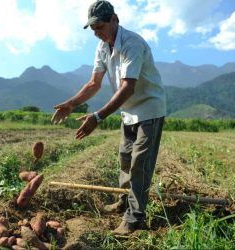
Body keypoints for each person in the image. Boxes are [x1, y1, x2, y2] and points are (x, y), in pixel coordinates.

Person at [51, 0, 166, 235]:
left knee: (139, 164)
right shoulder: (103, 46)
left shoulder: (131, 43)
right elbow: (94, 83)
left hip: (149, 109)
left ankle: (134, 218)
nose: (96, 33)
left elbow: (128, 88)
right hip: (128, 111)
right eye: (93, 29)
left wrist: (98, 116)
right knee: (125, 159)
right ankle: (125, 200)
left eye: (100, 27)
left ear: (115, 20)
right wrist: (72, 104)